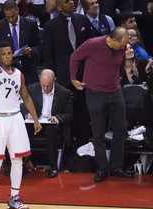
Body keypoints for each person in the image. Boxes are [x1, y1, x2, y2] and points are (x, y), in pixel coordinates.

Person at [0, 20, 42, 209]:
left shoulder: (19, 74)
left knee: (17, 161)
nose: (8, 56)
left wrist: (35, 119)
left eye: (10, 53)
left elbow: (25, 97)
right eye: (4, 54)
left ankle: (14, 198)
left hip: (15, 118)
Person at [70, 27, 134, 182]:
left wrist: (119, 77)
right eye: (122, 44)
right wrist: (73, 78)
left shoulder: (121, 47)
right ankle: (102, 168)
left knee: (121, 131)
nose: (124, 47)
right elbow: (74, 57)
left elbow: (120, 64)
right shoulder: (93, 44)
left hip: (115, 92)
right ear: (112, 39)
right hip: (95, 93)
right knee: (98, 133)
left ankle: (116, 167)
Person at [43, 0, 92, 151]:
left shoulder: (83, 20)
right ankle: (67, 152)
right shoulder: (50, 26)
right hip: (63, 80)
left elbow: (91, 46)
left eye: (72, 0)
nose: (71, 2)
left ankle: (83, 151)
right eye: (66, 1)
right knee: (65, 118)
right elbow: (49, 56)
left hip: (83, 77)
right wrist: (53, 81)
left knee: (83, 116)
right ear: (58, 6)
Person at [24, 69, 74, 178]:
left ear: (54, 81)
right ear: (39, 80)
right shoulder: (31, 89)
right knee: (23, 130)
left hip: (52, 125)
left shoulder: (64, 93)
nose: (46, 88)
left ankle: (53, 166)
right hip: (35, 122)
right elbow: (23, 106)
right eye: (43, 85)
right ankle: (22, 164)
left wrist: (58, 118)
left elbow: (70, 114)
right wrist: (28, 114)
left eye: (49, 86)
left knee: (51, 131)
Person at [0, 0, 42, 86]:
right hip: (8, 72)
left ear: (17, 10)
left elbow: (40, 45)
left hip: (29, 71)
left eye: (12, 16)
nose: (11, 19)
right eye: (7, 17)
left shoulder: (30, 24)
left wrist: (31, 51)